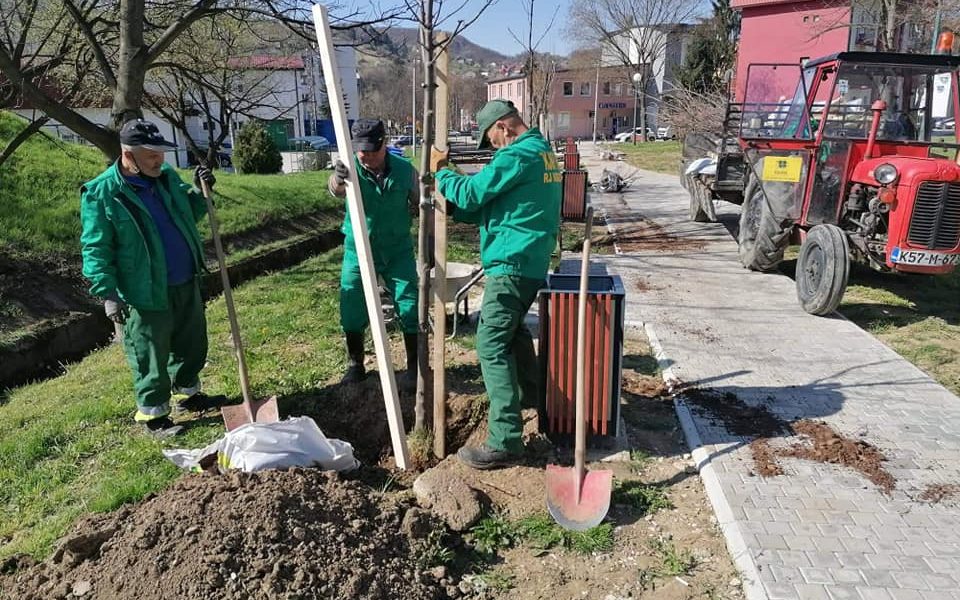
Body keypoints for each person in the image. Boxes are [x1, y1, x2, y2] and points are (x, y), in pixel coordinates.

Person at [435, 99, 561, 469]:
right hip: (530, 261)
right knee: (513, 334)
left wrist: (442, 173)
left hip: (512, 264)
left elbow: (472, 193)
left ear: (504, 127)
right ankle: (533, 401)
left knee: (490, 343)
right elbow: (499, 204)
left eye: (491, 140)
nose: (492, 148)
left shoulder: (517, 156)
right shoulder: (543, 154)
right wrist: (455, 204)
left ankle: (505, 439)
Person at [80, 119, 224, 437]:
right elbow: (95, 248)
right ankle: (153, 415)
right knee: (150, 353)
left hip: (185, 278)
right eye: (151, 154)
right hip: (142, 290)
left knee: (192, 342)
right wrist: (107, 293)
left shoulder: (166, 179)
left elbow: (192, 213)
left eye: (161, 152)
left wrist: (204, 191)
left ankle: (189, 394)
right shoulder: (102, 193)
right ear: (128, 155)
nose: (159, 160)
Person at [329, 118, 419, 389]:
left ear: (384, 145)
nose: (365, 156)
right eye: (360, 150)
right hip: (359, 250)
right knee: (352, 302)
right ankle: (356, 364)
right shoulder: (350, 170)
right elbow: (335, 189)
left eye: (371, 150)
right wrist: (338, 178)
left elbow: (422, 201)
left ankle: (414, 367)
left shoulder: (405, 171)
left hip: (398, 249)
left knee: (410, 303)